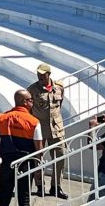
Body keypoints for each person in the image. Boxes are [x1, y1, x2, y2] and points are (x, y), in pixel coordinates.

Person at [0, 90, 43, 206]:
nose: (32, 103)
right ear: (24, 102)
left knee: (4, 199)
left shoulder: (2, 118)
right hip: (26, 164)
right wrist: (39, 168)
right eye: (30, 100)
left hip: (7, 163)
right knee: (24, 200)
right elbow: (39, 149)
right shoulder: (34, 122)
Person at [26, 63, 68, 199]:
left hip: (56, 127)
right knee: (38, 157)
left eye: (43, 75)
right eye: (38, 75)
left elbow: (59, 106)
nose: (40, 77)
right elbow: (29, 109)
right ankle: (40, 185)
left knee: (60, 155)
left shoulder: (59, 87)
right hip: (39, 127)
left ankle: (56, 186)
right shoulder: (32, 89)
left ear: (49, 74)